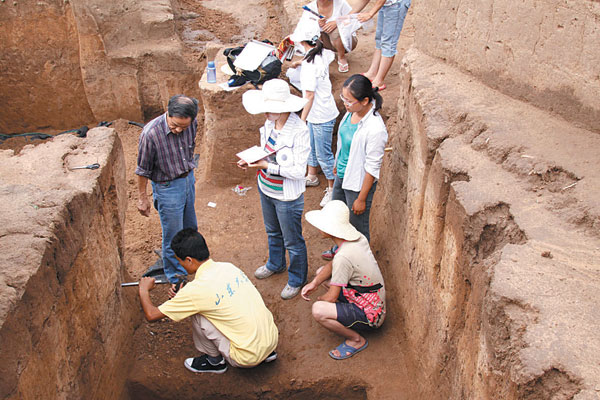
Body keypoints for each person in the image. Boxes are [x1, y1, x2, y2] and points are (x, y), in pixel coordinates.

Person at [138, 228, 279, 373]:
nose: (180, 265)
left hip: (247, 357)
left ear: (189, 260)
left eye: (179, 261)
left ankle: (214, 362)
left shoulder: (194, 291)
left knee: (197, 314)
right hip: (271, 341)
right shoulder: (228, 267)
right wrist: (182, 297)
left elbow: (151, 315)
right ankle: (268, 352)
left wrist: (144, 289)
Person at [238, 79, 310, 300]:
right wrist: (253, 160)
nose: (266, 112)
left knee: (293, 240)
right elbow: (265, 150)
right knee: (272, 232)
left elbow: (299, 171)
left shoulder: (300, 131)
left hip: (286, 196)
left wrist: (267, 166)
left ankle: (297, 278)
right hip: (266, 187)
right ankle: (276, 263)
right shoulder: (269, 124)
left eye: (271, 109)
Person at [301, 200, 386, 359]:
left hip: (371, 316)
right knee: (321, 273)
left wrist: (321, 299)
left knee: (319, 310)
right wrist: (314, 282)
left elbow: (332, 296)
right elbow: (333, 265)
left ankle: (356, 339)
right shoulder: (356, 239)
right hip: (371, 299)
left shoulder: (343, 258)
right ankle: (346, 312)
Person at [135, 94, 199, 291]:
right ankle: (175, 275)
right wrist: (142, 197)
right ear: (168, 114)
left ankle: (190, 262)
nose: (179, 130)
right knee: (173, 234)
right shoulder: (150, 134)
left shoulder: (191, 123)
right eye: (175, 126)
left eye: (184, 127)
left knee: (190, 226)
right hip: (167, 188)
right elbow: (142, 170)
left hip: (187, 180)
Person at [322, 74, 387, 261]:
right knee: (339, 216)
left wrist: (361, 199)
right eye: (343, 99)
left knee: (358, 226)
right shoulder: (351, 113)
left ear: (365, 100)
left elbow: (372, 168)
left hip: (358, 184)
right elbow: (343, 142)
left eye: (349, 101)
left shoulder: (375, 129)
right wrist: (337, 164)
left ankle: (361, 262)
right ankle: (341, 251)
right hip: (343, 175)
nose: (345, 104)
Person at [290, 26, 339, 207]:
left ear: (303, 43)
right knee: (311, 146)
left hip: (320, 116)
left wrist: (301, 120)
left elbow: (309, 96)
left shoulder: (310, 67)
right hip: (320, 112)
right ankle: (311, 176)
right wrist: (300, 63)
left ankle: (333, 189)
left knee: (323, 154)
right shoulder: (320, 55)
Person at [293, 0, 360, 73]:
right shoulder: (310, 8)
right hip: (322, 41)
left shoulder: (341, 4)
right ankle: (315, 55)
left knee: (336, 32)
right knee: (309, 28)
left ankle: (341, 56)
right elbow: (301, 29)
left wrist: (337, 22)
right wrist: (317, 24)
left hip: (344, 41)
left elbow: (353, 19)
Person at [358, 0, 411, 90]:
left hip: (396, 4)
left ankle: (379, 81)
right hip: (385, 4)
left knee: (388, 42)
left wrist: (370, 13)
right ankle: (372, 73)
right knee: (379, 39)